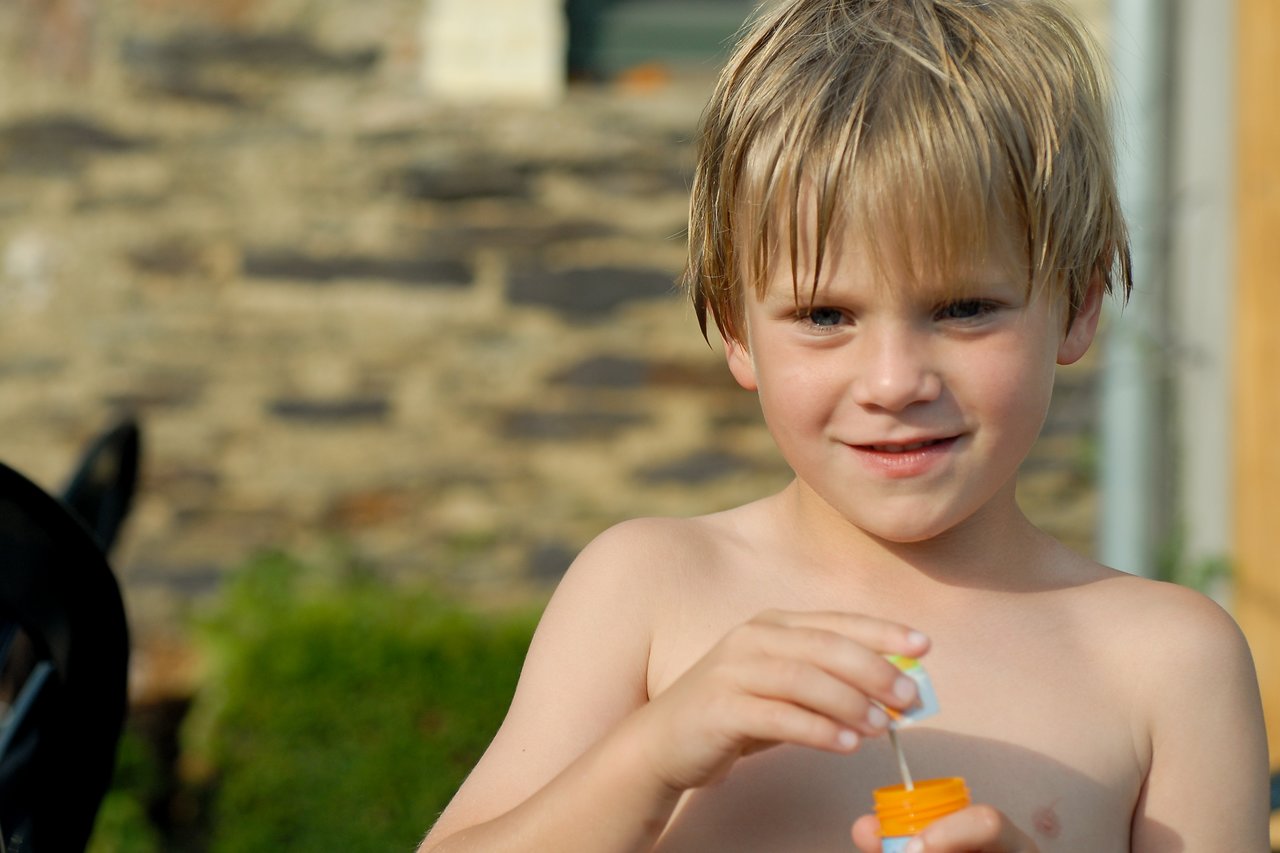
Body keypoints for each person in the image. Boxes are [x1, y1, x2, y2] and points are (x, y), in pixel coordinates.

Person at [419, 0, 1269, 850]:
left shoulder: (1167, 662)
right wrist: (650, 756)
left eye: (965, 308)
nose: (895, 381)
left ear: (1078, 307)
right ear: (733, 327)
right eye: (825, 315)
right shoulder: (648, 591)